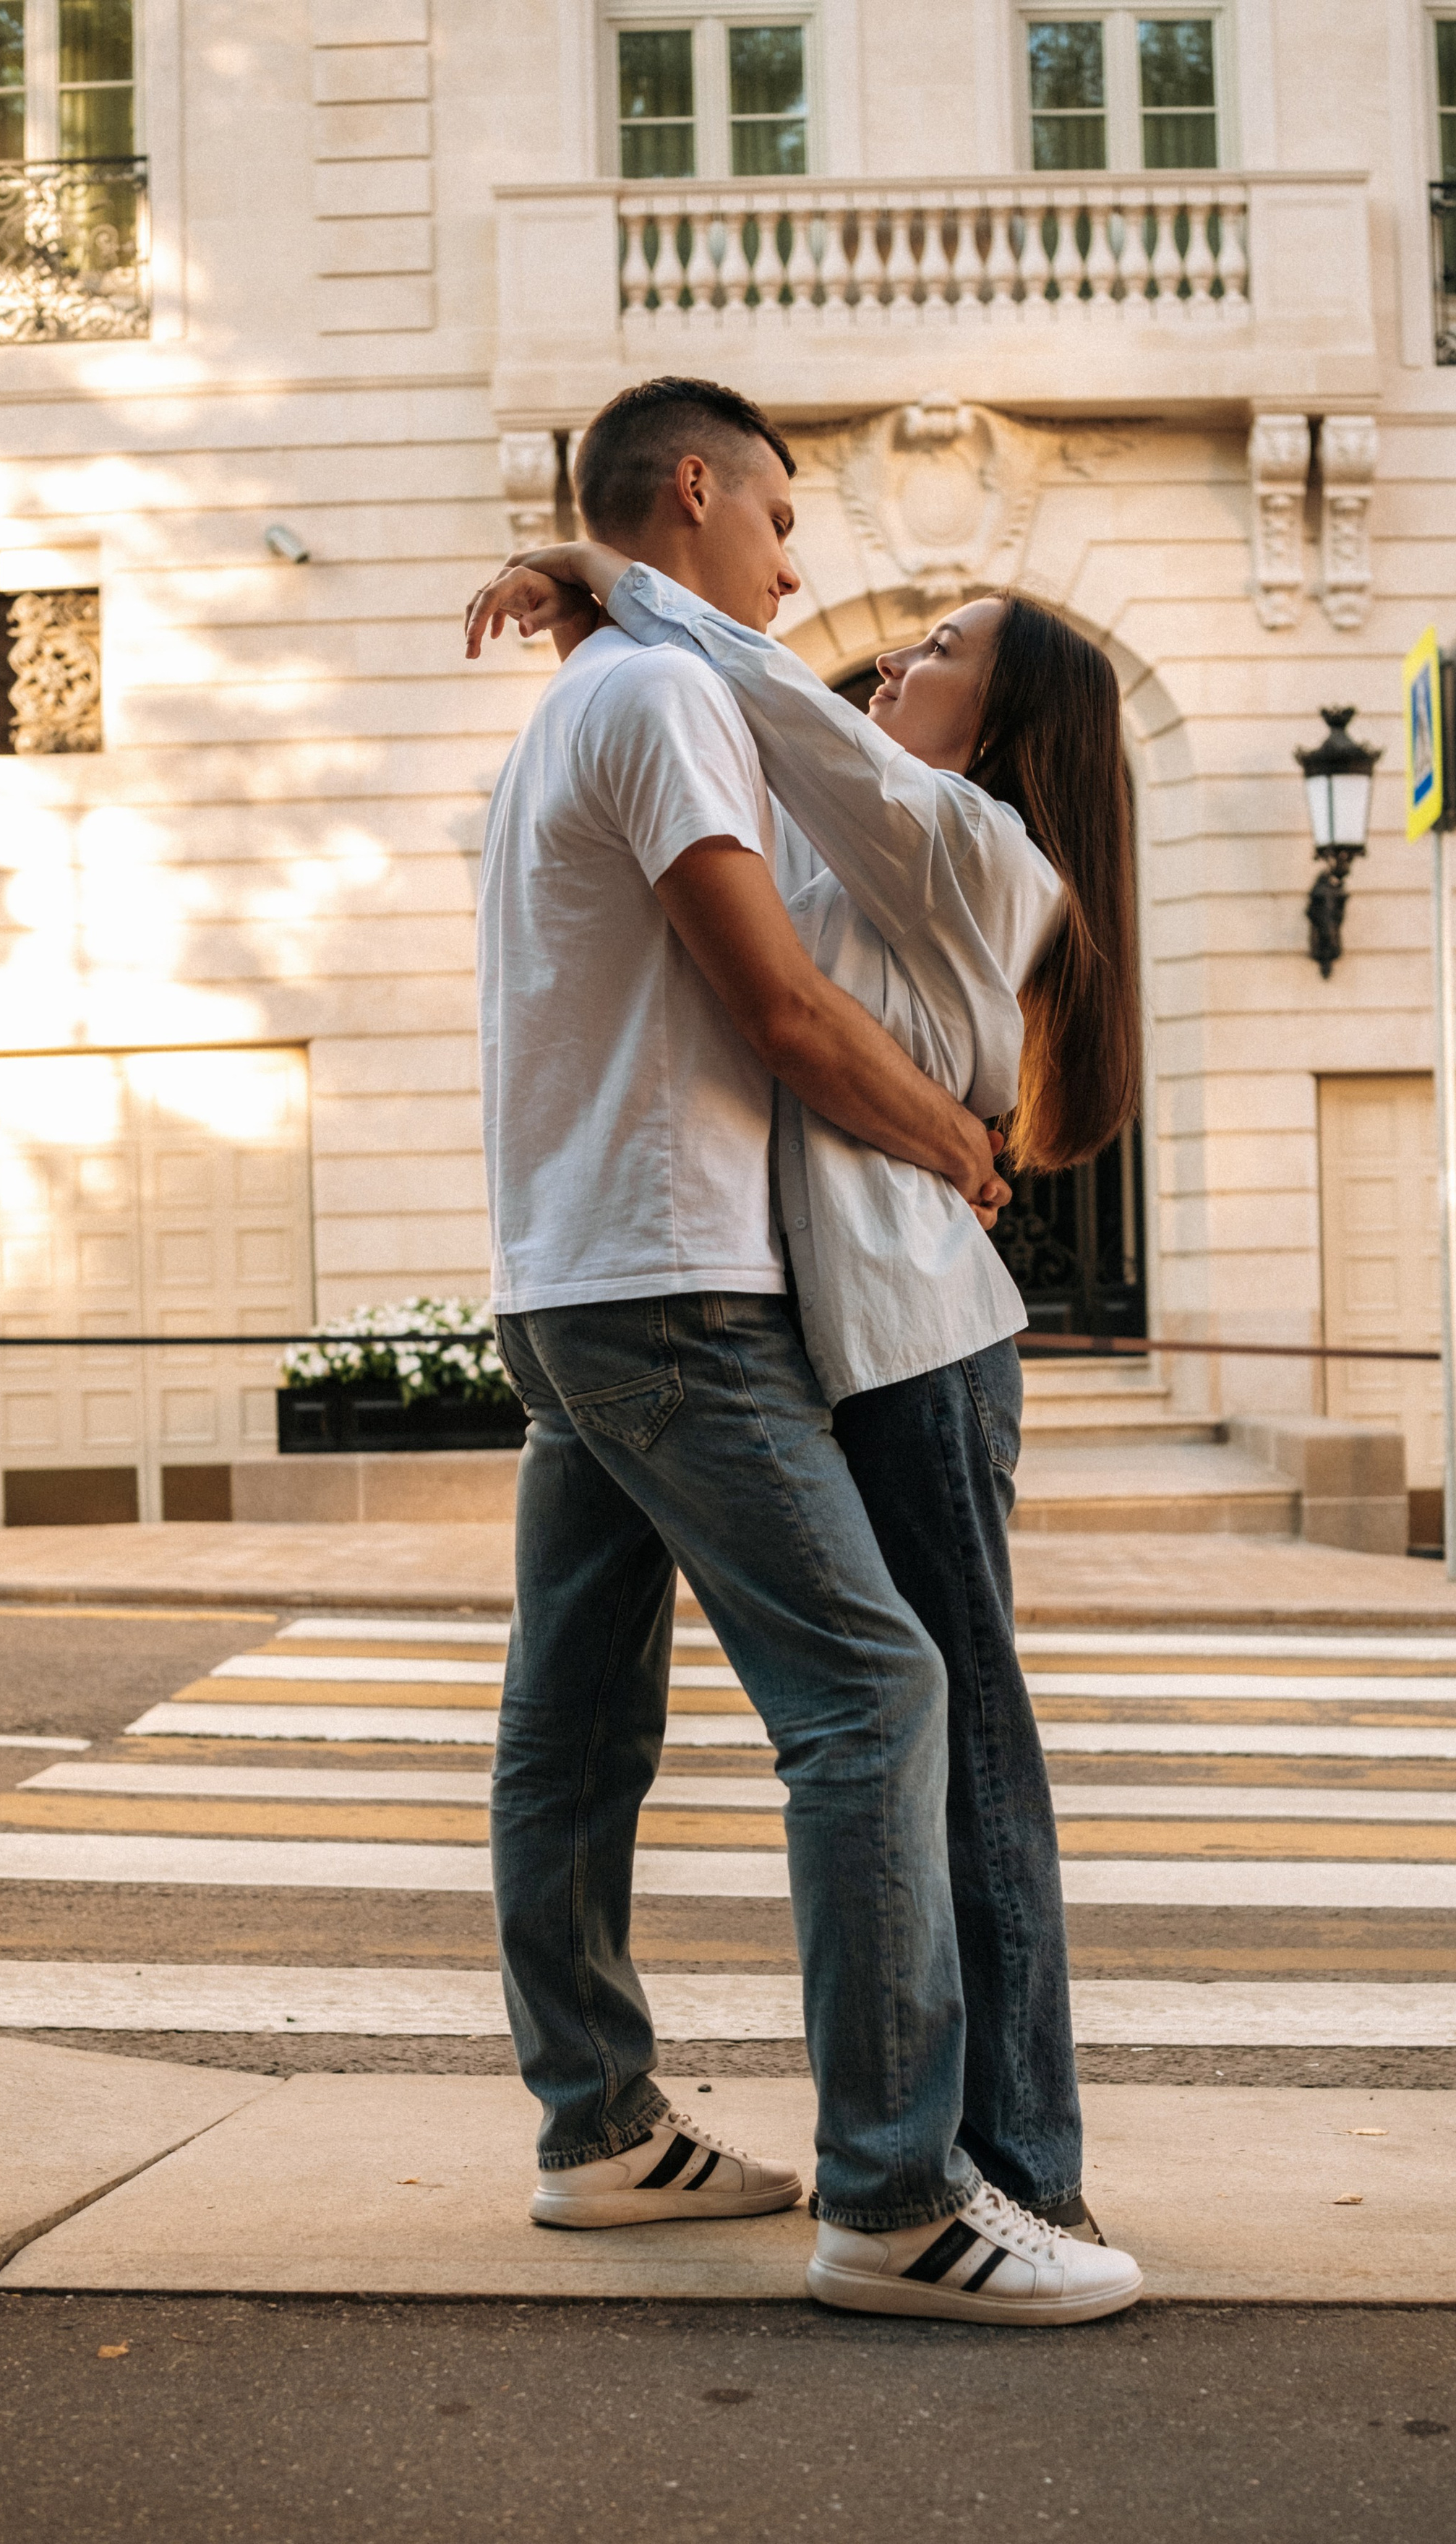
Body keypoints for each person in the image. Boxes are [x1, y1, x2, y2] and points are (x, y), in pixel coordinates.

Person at [468, 373, 1142, 2324]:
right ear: (700, 490)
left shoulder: (940, 827)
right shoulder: (670, 695)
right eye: (778, 521)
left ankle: (622, 2126)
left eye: (938, 645)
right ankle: (899, 2198)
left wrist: (603, 581)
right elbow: (773, 1005)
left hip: (707, 1295)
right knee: (881, 1700)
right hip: (681, 1286)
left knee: (600, 1714)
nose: (812, 574)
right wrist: (947, 1124)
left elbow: (782, 767)